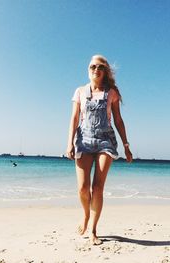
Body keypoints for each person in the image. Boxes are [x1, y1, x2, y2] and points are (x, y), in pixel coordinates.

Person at [66, 54, 133, 245]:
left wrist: (127, 146)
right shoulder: (79, 91)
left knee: (97, 188)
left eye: (100, 67)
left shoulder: (111, 92)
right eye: (92, 66)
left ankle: (93, 230)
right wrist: (69, 143)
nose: (96, 69)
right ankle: (86, 215)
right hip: (84, 140)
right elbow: (74, 118)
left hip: (105, 141)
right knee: (82, 189)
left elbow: (118, 120)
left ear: (105, 71)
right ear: (88, 69)